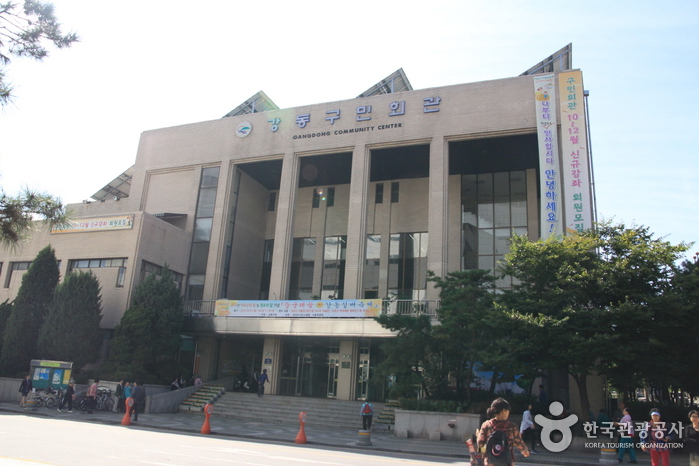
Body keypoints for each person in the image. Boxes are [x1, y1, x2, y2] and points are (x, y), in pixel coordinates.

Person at [477, 398, 530, 466]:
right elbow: (518, 441)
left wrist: (478, 435)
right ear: (504, 411)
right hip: (507, 461)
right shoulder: (512, 426)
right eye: (508, 410)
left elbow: (480, 444)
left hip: (490, 461)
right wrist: (524, 451)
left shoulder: (486, 425)